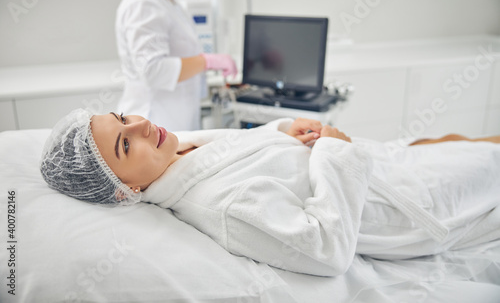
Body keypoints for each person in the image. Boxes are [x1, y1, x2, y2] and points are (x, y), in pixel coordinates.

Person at [40, 109, 500, 276]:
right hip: (407, 201)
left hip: (382, 161)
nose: (140, 124)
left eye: (123, 117)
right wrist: (334, 153)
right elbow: (326, 250)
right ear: (126, 190)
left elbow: (249, 146)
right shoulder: (220, 206)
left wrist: (286, 130)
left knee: (457, 140)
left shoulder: (179, 150)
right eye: (125, 142)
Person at [116, 0, 237, 131]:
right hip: (154, 123)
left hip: (172, 121)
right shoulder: (143, 2)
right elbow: (152, 70)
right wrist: (207, 61)